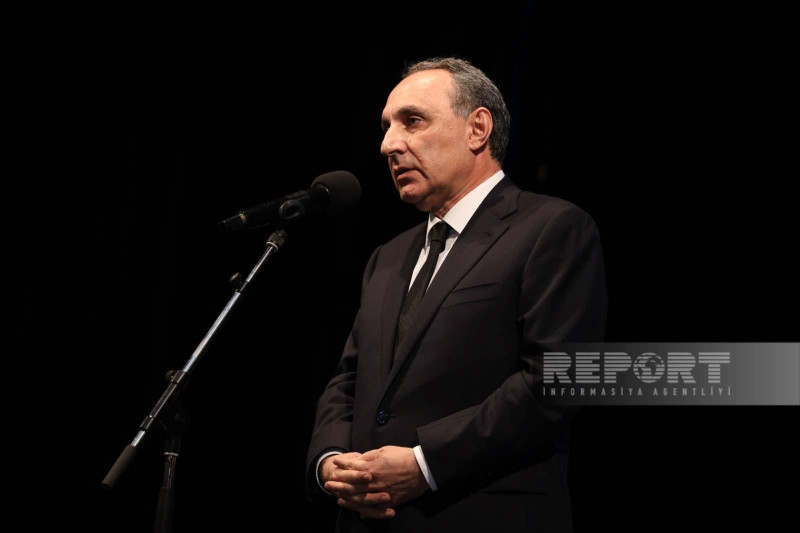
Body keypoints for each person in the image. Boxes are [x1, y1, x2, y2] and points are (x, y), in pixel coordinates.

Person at [305, 57, 607, 532]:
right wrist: (331, 461)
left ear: (477, 129)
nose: (388, 145)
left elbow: (555, 380)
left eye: (412, 121)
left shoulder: (551, 228)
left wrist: (424, 463)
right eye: (386, 128)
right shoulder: (387, 257)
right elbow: (348, 379)